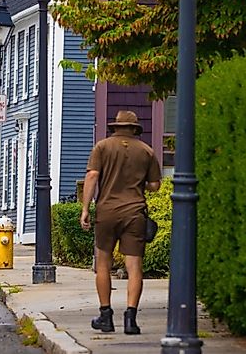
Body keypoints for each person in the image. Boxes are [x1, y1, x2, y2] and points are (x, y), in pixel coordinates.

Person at [80, 110, 161, 335]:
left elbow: (92, 176)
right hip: (135, 213)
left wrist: (85, 208)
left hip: (106, 212)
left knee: (103, 264)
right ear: (135, 129)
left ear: (115, 127)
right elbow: (155, 185)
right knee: (134, 267)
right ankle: (130, 319)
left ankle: (106, 316)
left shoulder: (102, 147)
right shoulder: (146, 151)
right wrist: (137, 184)